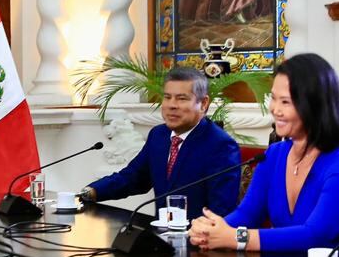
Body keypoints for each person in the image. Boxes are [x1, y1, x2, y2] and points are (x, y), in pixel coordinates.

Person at [189, 53, 339, 255]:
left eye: (285, 102)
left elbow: (315, 236)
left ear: (315, 106)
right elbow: (248, 213)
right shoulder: (274, 155)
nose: (275, 109)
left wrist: (236, 237)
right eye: (274, 98)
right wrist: (212, 230)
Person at [83, 67, 241, 219]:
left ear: (204, 103)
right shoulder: (159, 135)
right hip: (159, 236)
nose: (172, 105)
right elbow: (133, 178)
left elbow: (221, 211)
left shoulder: (221, 146)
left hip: (198, 239)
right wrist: (91, 192)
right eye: (167, 97)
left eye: (181, 98)